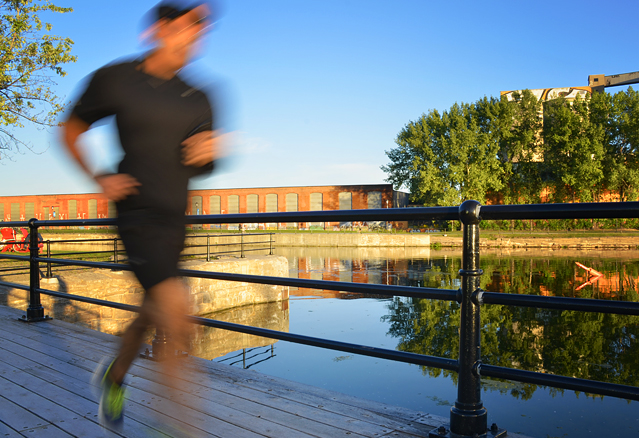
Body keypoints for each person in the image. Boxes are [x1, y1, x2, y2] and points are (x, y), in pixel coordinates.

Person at [61, 1, 223, 432]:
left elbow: (202, 164)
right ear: (160, 29)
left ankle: (114, 375)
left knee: (152, 313)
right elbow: (70, 130)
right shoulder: (117, 79)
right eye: (191, 25)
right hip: (136, 216)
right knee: (177, 315)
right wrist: (100, 177)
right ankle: (178, 429)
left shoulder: (201, 97)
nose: (198, 35)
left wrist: (208, 154)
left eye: (203, 28)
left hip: (174, 224)